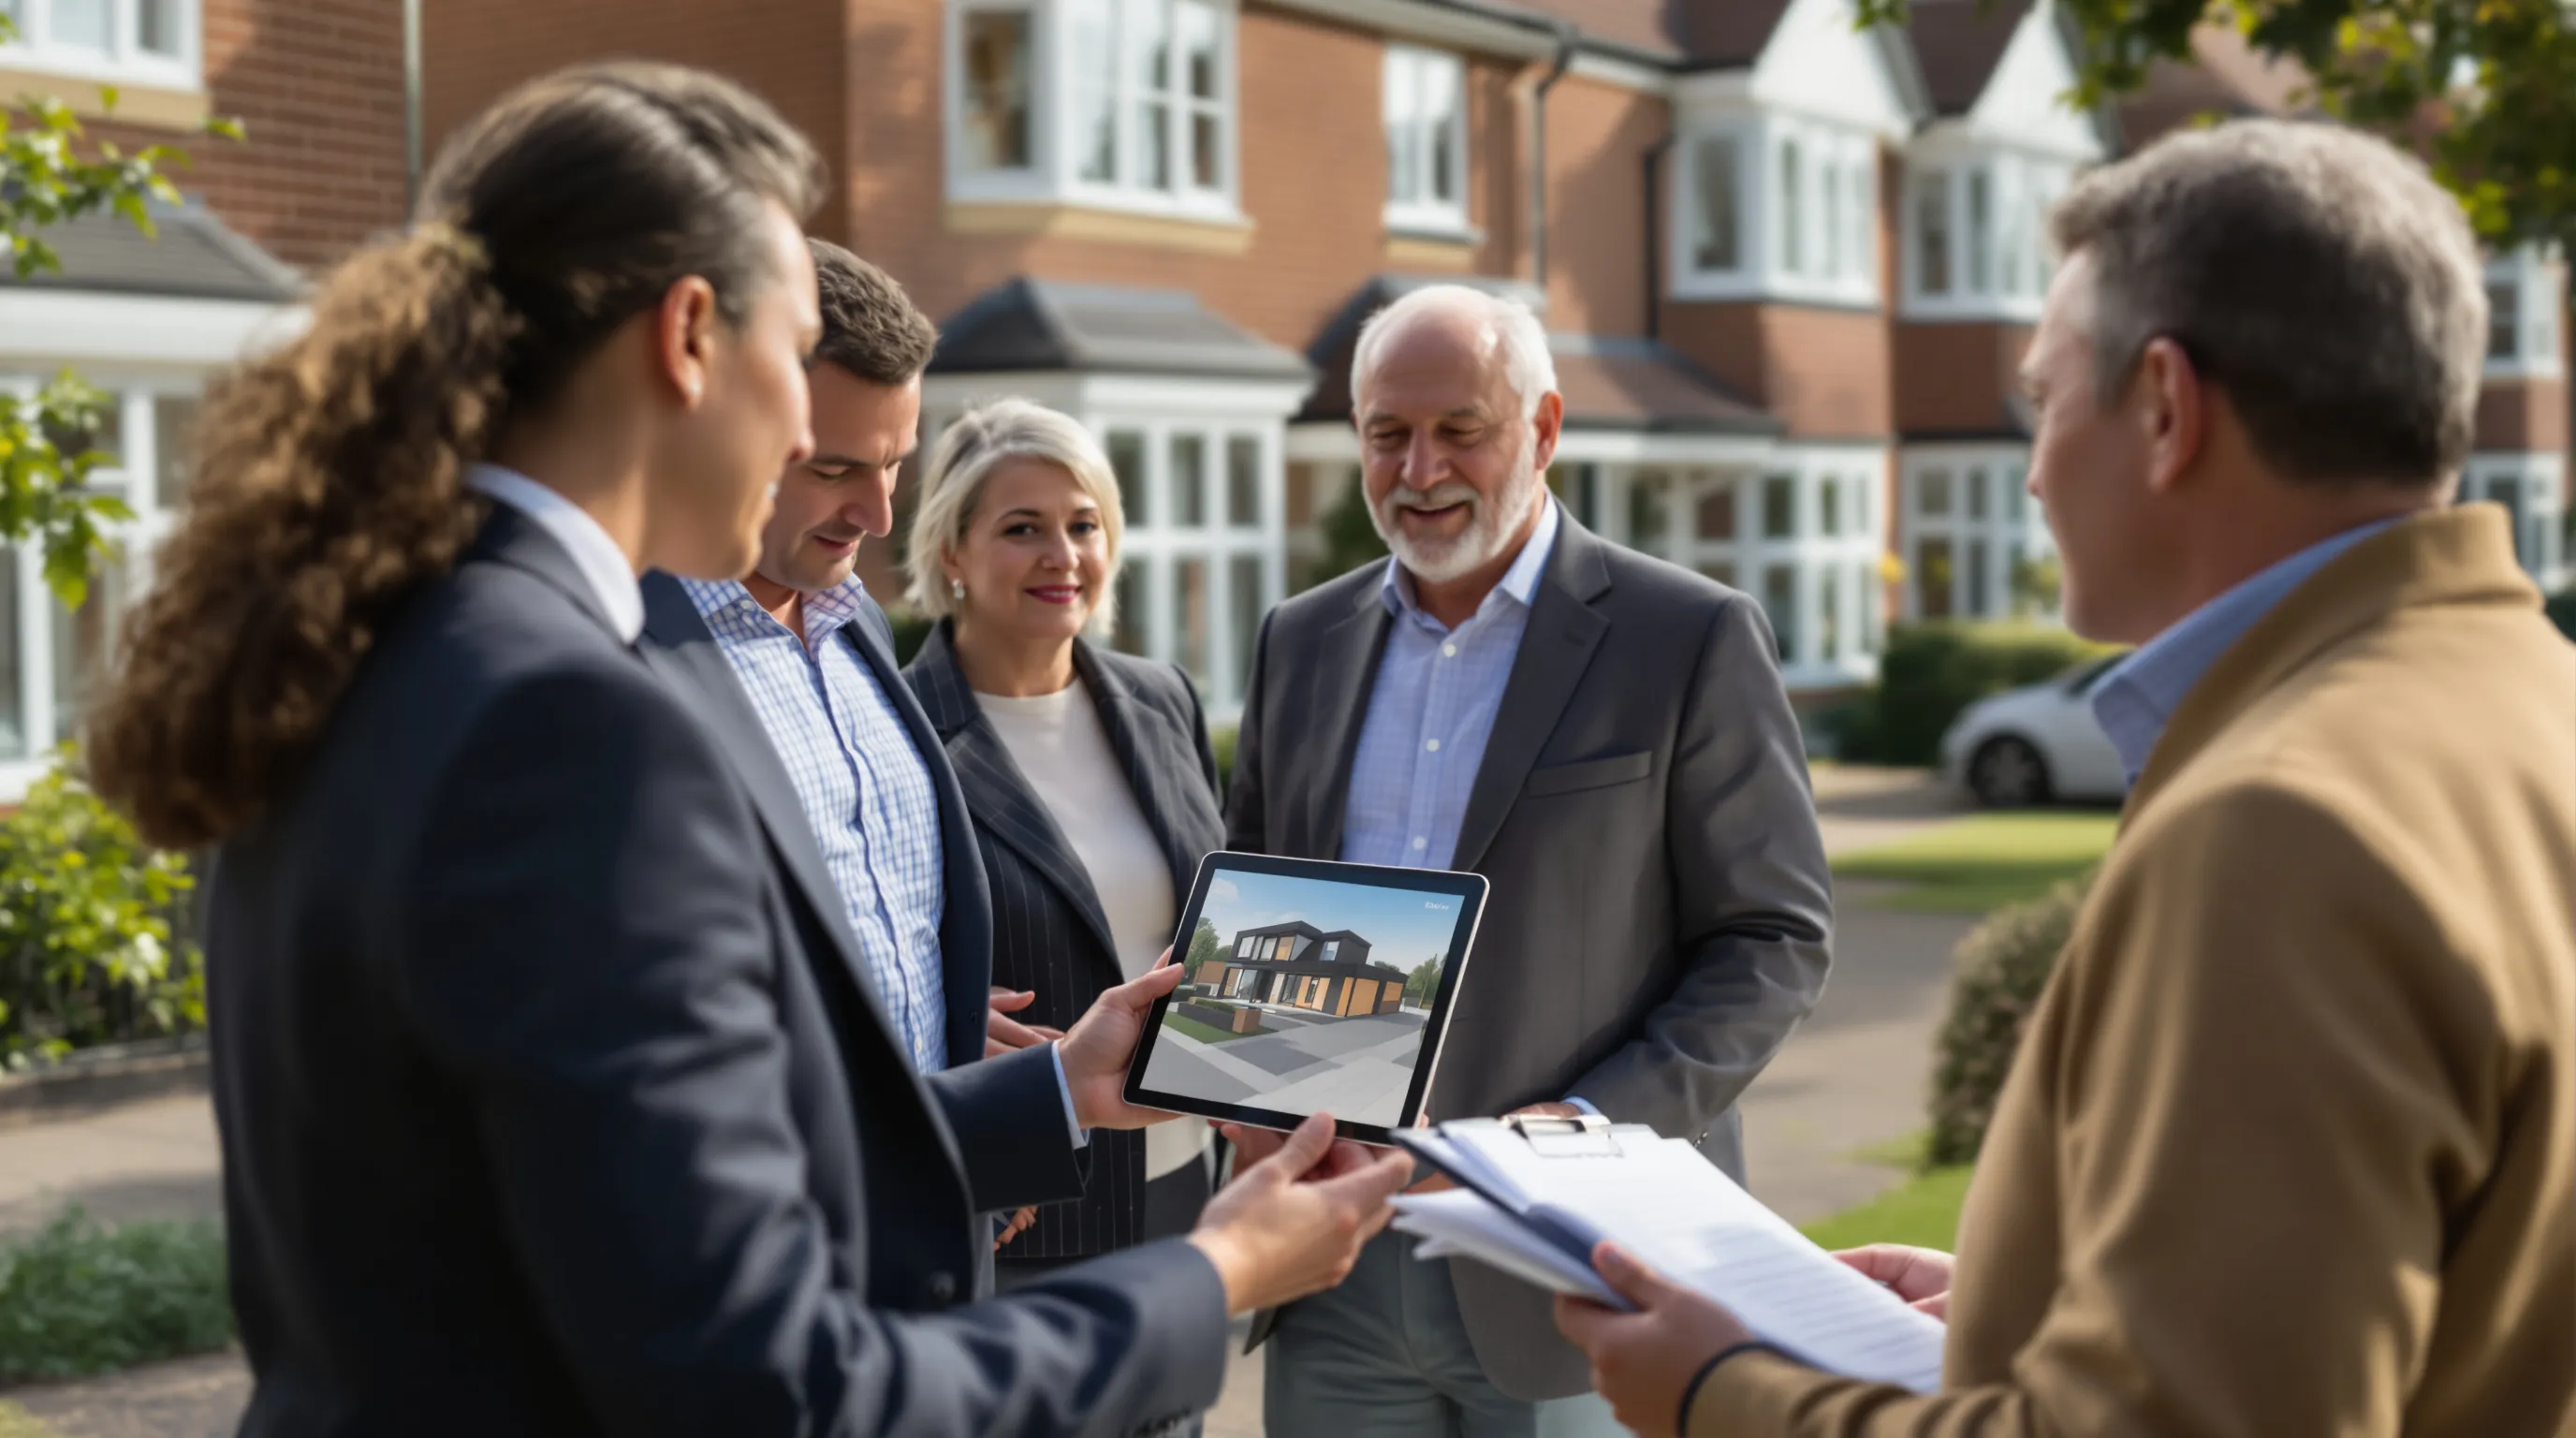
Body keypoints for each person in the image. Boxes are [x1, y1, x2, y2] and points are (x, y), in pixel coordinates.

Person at [80, 61, 1411, 1437]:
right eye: (793, 368)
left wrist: (1054, 1094)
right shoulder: (576, 727)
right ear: (689, 337)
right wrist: (1216, 1274)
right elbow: (772, 1388)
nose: (809, 446)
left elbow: (602, 1213)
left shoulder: (364, 642)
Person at [1555, 120, 2576, 1438]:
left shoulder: (2284, 826)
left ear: (2164, 407)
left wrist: (1724, 1393)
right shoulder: (2535, 701)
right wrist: (2031, 1313)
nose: (2032, 472)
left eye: (2044, 401)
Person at [1224, 283, 1836, 1436]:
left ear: (1544, 429)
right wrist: (1234, 1074)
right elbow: (1258, 907)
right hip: (1332, 1263)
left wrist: (1577, 1136)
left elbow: (1773, 940)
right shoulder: (1297, 640)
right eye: (1386, 434)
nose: (1419, 469)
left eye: (1461, 429)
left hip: (1579, 1264)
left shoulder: (1685, 635)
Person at [631, 241, 1056, 1256]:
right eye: (832, 470)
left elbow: (890, 941)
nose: (877, 515)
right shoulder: (615, 667)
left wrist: (980, 1105)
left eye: (896, 462)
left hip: (926, 1246)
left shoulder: (855, 620)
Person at [900, 399, 1228, 1299]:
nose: (1063, 555)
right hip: (1023, 1206)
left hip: (1183, 1187)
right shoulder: (896, 732)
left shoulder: (1164, 700)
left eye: (1083, 524)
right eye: (1021, 528)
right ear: (951, 552)